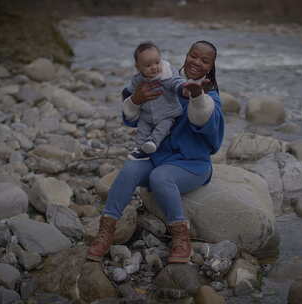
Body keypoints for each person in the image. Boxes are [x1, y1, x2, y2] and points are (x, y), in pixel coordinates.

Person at [87, 40, 224, 264]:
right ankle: (106, 230)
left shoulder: (212, 98)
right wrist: (136, 100)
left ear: (210, 67)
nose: (196, 62)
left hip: (192, 164)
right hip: (160, 157)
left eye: (204, 60)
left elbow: (208, 129)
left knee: (160, 177)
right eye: (193, 55)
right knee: (130, 168)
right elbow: (132, 119)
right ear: (186, 55)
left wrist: (199, 97)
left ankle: (181, 238)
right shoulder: (167, 82)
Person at [126, 41, 185, 160]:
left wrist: (183, 87)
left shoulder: (165, 75)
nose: (154, 67)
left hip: (167, 114)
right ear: (138, 67)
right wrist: (132, 96)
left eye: (157, 62)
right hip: (146, 114)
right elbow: (130, 91)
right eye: (148, 65)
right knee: (142, 129)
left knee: (163, 127)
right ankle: (139, 149)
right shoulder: (137, 79)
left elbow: (175, 82)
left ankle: (152, 143)